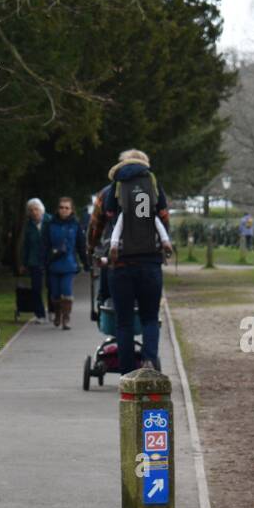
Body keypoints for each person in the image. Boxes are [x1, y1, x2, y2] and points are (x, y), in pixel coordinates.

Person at [87, 149, 172, 371]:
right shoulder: (154, 187)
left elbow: (95, 226)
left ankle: (127, 373)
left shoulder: (108, 192)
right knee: (150, 318)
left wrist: (92, 248)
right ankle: (148, 362)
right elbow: (164, 219)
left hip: (120, 264)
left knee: (123, 321)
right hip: (150, 263)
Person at [45, 199, 81, 330]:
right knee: (55, 292)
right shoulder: (50, 224)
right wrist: (44, 260)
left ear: (71, 210)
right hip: (53, 263)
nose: (64, 210)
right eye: (61, 207)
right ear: (57, 209)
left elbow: (80, 245)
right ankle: (58, 313)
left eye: (67, 208)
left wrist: (86, 262)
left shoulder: (75, 225)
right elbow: (45, 244)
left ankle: (66, 318)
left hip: (69, 263)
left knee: (66, 291)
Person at [15, 199, 49, 324]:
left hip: (49, 259)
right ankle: (40, 314)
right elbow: (26, 246)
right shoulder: (29, 226)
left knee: (52, 288)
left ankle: (53, 311)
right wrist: (23, 263)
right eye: (31, 210)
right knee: (36, 289)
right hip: (34, 261)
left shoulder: (49, 221)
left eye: (36, 209)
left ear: (41, 210)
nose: (34, 212)